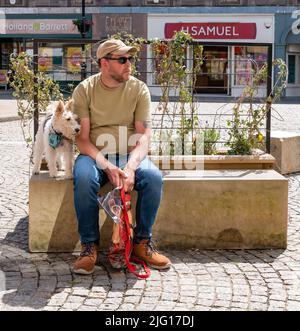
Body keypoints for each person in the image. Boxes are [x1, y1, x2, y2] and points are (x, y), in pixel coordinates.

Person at [72, 38, 171, 275]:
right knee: (84, 178)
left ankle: (142, 243)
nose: (129, 64)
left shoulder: (138, 89)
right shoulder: (84, 90)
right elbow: (82, 139)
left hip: (129, 154)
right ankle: (89, 247)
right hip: (95, 155)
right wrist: (107, 166)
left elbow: (144, 135)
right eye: (123, 59)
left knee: (154, 178)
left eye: (131, 59)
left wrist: (131, 168)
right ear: (104, 64)